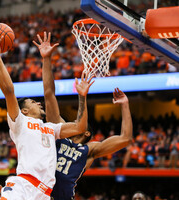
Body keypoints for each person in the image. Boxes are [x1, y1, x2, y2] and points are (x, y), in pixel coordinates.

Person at [0, 30, 94, 200]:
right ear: (24, 110)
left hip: (44, 194)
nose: (38, 102)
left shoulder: (51, 128)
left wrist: (82, 97)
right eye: (33, 102)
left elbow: (80, 126)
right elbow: (8, 91)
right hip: (23, 186)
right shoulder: (19, 121)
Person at [33, 32, 133, 200]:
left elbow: (125, 138)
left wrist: (125, 105)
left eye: (78, 122)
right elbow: (49, 94)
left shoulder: (89, 150)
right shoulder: (59, 133)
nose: (74, 122)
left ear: (87, 133)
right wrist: (46, 59)